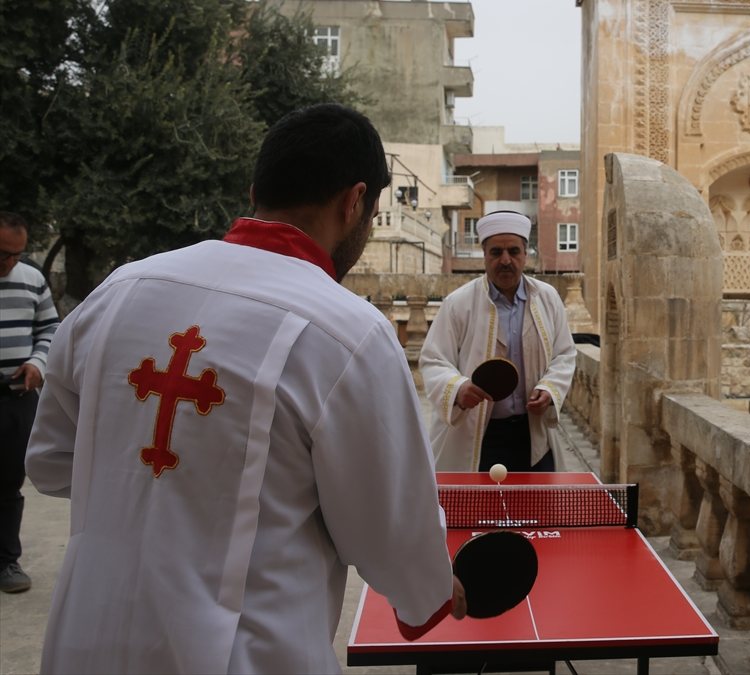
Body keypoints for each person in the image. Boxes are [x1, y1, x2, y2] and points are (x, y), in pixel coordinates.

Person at [24, 104, 464, 674]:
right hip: (244, 654)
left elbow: (54, 463)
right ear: (355, 201)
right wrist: (432, 587)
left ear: (255, 190)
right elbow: (393, 535)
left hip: (87, 643)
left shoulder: (119, 291)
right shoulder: (346, 331)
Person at [420, 211, 576, 472]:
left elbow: (565, 354)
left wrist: (550, 388)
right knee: (477, 510)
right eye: (496, 252)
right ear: (485, 255)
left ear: (526, 254)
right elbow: (433, 360)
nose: (505, 260)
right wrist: (458, 388)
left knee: (537, 509)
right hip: (478, 436)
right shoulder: (458, 303)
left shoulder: (547, 298)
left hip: (532, 435)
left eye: (514, 251)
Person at [0, 212, 59, 594]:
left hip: (15, 397)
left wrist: (38, 362)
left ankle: (6, 562)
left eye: (16, 255)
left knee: (8, 483)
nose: (10, 262)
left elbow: (50, 328)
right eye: (3, 254)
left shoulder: (32, 279)